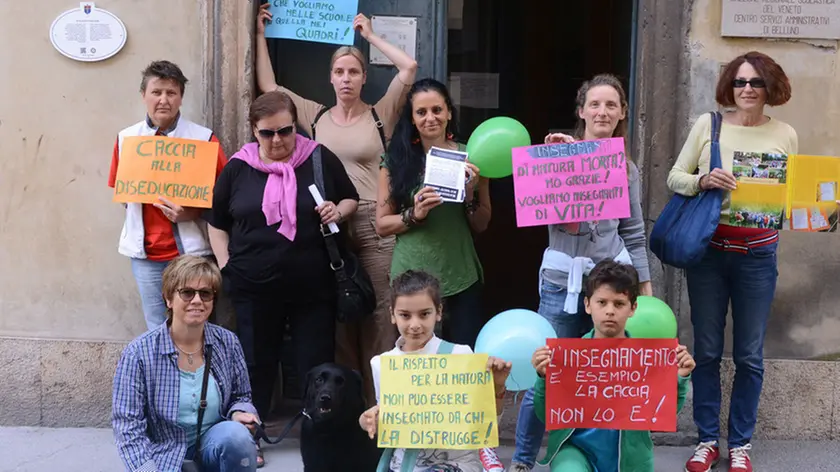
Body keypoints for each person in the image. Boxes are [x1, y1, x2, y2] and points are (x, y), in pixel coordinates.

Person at [256, 3, 418, 406]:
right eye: (340, 72)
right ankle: (348, 410)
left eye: (354, 72)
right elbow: (268, 87)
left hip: (373, 223)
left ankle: (381, 406)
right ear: (330, 78)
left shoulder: (381, 114)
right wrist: (259, 35)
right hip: (329, 226)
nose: (346, 79)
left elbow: (409, 69)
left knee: (382, 317)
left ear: (364, 78)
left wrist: (370, 37)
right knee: (341, 318)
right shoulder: (316, 115)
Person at [207, 91, 359, 467]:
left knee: (316, 365)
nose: (277, 141)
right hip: (253, 287)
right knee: (254, 363)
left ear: (296, 126)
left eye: (285, 131)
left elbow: (351, 199)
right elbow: (216, 223)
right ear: (254, 132)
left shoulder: (319, 158)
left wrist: (335, 210)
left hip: (312, 287)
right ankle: (250, 437)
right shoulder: (238, 168)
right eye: (267, 133)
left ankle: (319, 435)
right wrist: (227, 266)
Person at [509, 74, 651, 472]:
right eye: (595, 104)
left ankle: (584, 455)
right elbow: (557, 217)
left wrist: (646, 287)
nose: (602, 111)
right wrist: (567, 162)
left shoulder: (628, 169)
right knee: (548, 369)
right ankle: (522, 460)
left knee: (600, 378)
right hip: (561, 285)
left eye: (611, 105)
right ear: (581, 111)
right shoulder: (555, 155)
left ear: (622, 113)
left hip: (609, 287)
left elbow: (635, 234)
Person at [667, 51, 797, 472]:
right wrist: (704, 180)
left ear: (770, 88)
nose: (746, 90)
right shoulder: (709, 125)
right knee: (705, 350)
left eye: (755, 83)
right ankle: (707, 439)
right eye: (740, 82)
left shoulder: (786, 134)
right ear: (730, 86)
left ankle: (740, 443)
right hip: (709, 252)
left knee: (749, 356)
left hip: (758, 254)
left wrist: (816, 208)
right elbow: (674, 177)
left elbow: (791, 195)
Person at [529, 261, 695, 472]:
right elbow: (545, 414)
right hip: (575, 452)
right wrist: (543, 378)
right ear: (588, 305)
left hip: (630, 459)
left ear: (633, 308)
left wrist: (679, 379)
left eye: (618, 304)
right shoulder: (566, 358)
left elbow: (660, 415)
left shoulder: (647, 360)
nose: (609, 311)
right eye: (602, 302)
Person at [108, 60, 228, 331]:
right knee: (157, 328)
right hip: (146, 256)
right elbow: (123, 193)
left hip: (192, 252)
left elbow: (223, 198)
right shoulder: (127, 139)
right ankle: (163, 375)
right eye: (157, 92)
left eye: (171, 93)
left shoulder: (203, 139)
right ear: (144, 96)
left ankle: (200, 374)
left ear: (181, 98)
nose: (164, 100)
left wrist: (191, 212)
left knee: (200, 324)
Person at [112, 255, 258, 471]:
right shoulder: (139, 353)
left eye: (205, 293)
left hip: (212, 446)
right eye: (187, 292)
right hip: (164, 453)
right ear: (168, 299)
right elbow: (127, 424)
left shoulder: (227, 342)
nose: (197, 300)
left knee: (237, 437)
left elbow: (241, 396)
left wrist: (239, 413)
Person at [376, 78, 491, 349]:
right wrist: (414, 214)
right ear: (412, 119)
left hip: (460, 273)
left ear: (449, 112)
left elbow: (482, 224)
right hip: (412, 278)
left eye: (437, 110)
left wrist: (471, 192)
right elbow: (381, 225)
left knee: (463, 358)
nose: (431, 118)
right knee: (414, 362)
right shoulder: (396, 160)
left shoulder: (471, 156)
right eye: (421, 112)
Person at [358, 270, 510, 472]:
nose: (414, 325)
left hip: (457, 463)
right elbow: (384, 419)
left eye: (424, 314)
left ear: (438, 312)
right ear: (392, 315)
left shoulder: (460, 356)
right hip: (404, 465)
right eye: (405, 315)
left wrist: (497, 386)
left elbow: (485, 424)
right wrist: (367, 420)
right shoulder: (383, 363)